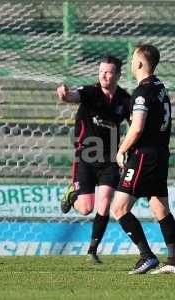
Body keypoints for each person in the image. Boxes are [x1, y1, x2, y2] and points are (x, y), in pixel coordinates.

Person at [57, 56, 130, 263]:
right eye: (101, 72)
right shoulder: (90, 92)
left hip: (109, 160)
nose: (104, 76)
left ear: (117, 75)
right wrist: (64, 94)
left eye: (108, 72)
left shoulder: (124, 99)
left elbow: (136, 122)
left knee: (105, 202)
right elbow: (71, 96)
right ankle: (72, 193)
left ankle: (92, 249)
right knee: (86, 208)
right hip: (86, 157)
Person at [111, 44, 175, 274]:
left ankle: (146, 256)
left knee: (118, 208)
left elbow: (136, 127)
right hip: (160, 153)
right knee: (160, 208)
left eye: (132, 60)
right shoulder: (160, 86)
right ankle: (174, 261)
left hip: (144, 156)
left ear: (139, 63)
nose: (130, 64)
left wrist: (121, 150)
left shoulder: (143, 91)